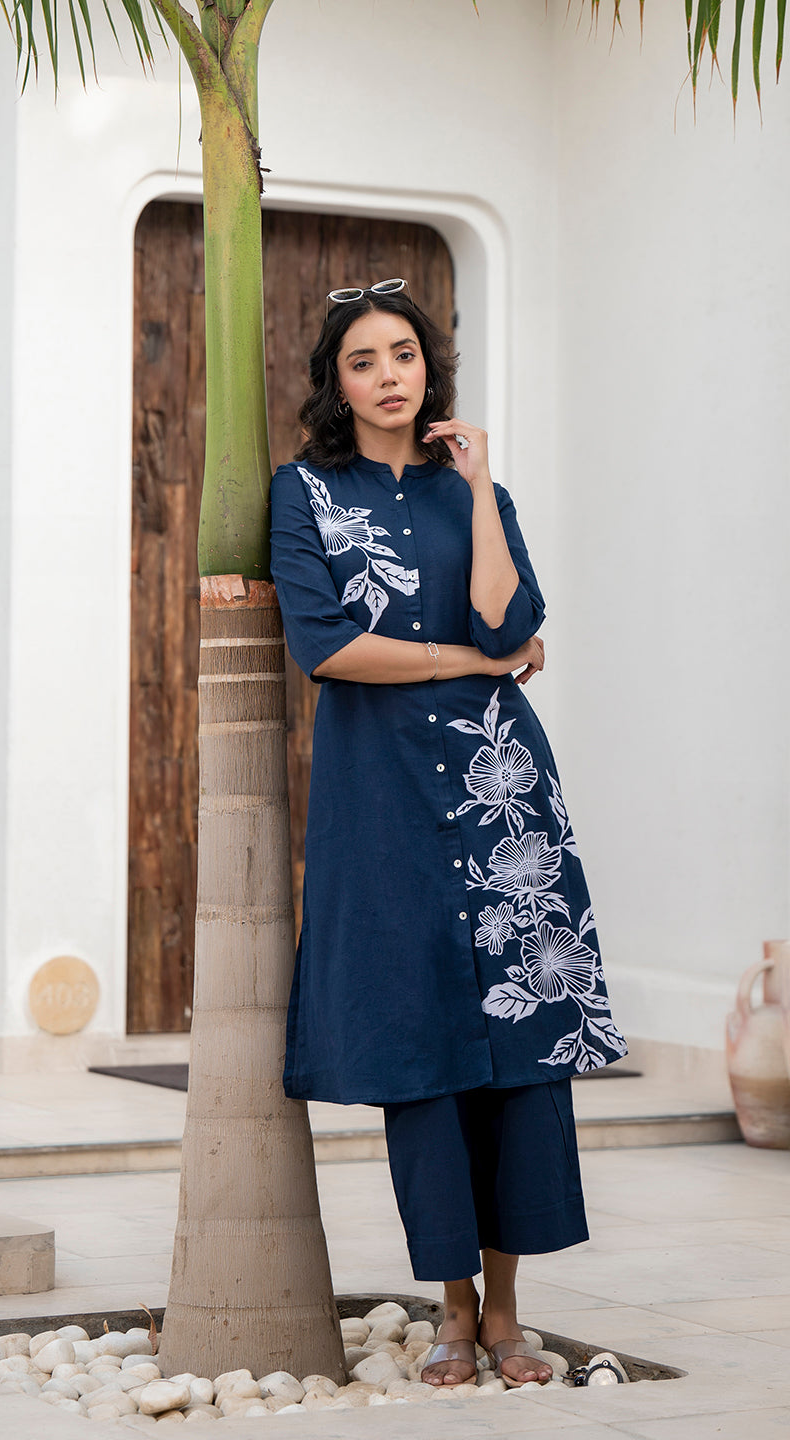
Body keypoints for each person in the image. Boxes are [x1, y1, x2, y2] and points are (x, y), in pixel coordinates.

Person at [269, 278, 627, 1389]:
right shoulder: (303, 493)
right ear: (337, 381)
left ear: (431, 371)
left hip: (500, 797)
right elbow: (325, 646)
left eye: (406, 356)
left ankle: (511, 1312)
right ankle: (454, 1313)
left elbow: (510, 624)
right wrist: (467, 664)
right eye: (365, 359)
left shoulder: (481, 490)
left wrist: (476, 491)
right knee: (422, 1057)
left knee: (522, 1057)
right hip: (381, 806)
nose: (389, 374)